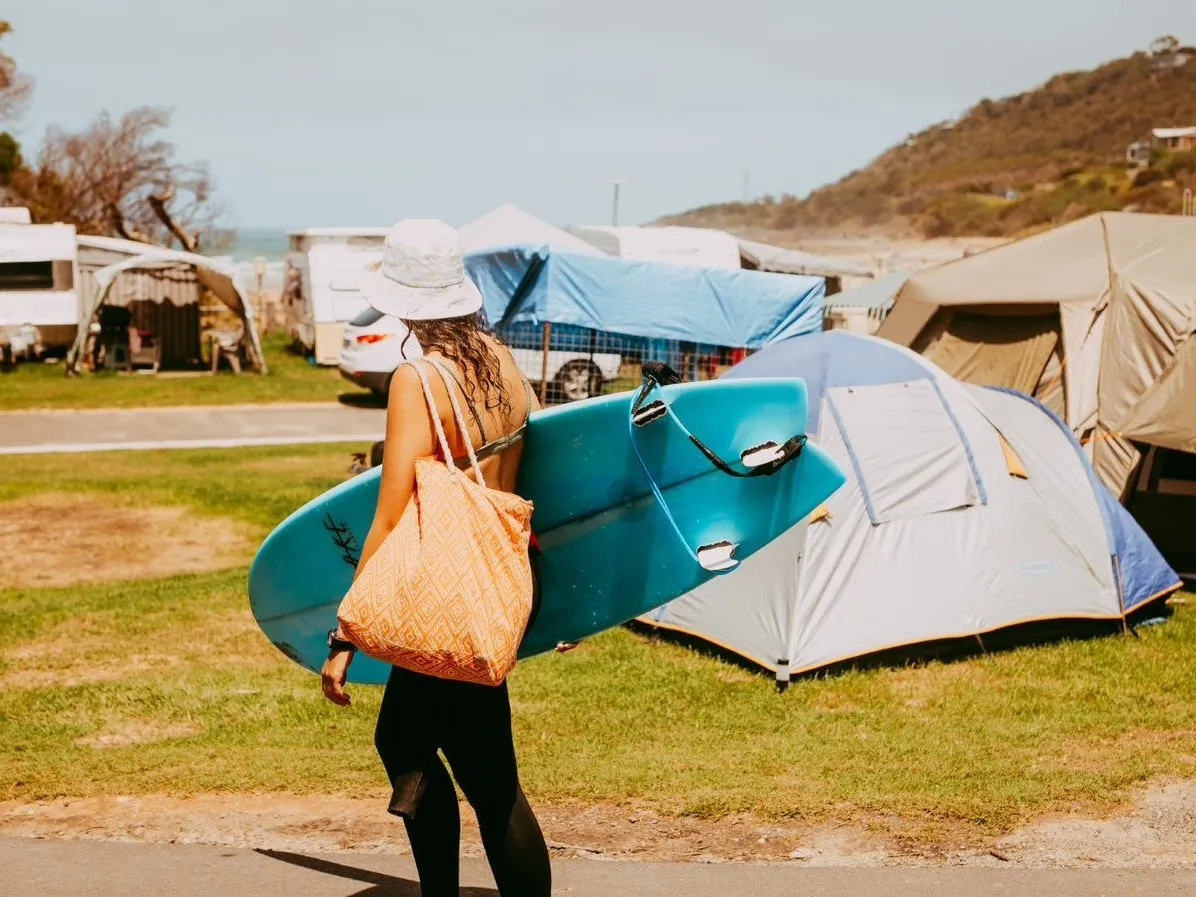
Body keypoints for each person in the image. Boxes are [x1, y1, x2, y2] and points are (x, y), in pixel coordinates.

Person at [320, 219, 555, 897]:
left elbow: (390, 513)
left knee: (410, 744)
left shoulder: (418, 378)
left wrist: (345, 633)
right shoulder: (503, 361)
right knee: (485, 767)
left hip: (445, 586)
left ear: (403, 299)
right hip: (502, 577)